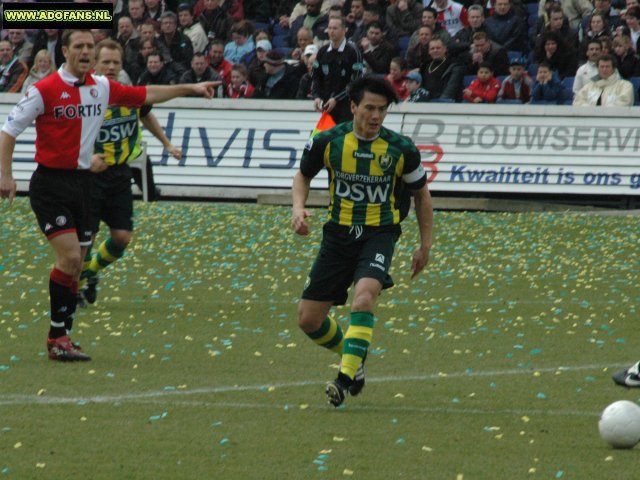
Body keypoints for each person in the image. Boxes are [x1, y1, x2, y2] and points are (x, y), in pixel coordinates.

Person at [0, 29, 217, 362]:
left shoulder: (101, 88)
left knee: (76, 265)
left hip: (85, 185)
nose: (86, 52)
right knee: (71, 258)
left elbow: (146, 94)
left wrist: (191, 88)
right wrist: (5, 175)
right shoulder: (43, 90)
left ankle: (64, 334)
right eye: (80, 47)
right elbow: (9, 131)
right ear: (66, 51)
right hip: (51, 185)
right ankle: (57, 337)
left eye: (90, 46)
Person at [291, 75, 433, 407]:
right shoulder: (328, 142)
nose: (375, 116)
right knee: (308, 319)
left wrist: (424, 245)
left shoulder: (401, 148)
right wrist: (298, 208)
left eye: (382, 110)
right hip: (338, 235)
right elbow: (303, 176)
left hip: (379, 234)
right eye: (369, 108)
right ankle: (354, 355)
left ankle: (343, 379)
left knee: (365, 297)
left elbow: (422, 196)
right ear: (352, 106)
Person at [78, 39, 183, 308]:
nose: (111, 67)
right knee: (85, 238)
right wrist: (85, 158)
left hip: (119, 173)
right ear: (94, 63)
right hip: (86, 176)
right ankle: (75, 288)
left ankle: (87, 274)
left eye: (116, 63)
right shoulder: (81, 94)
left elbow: (146, 113)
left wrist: (167, 143)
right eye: (106, 62)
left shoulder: (126, 93)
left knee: (122, 237)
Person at [312, 16, 364, 124]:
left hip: (347, 106)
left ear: (344, 30)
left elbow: (356, 82)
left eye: (335, 28)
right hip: (328, 106)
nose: (331, 31)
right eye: (329, 28)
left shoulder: (353, 51)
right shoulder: (322, 51)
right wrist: (317, 96)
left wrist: (337, 99)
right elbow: (316, 77)